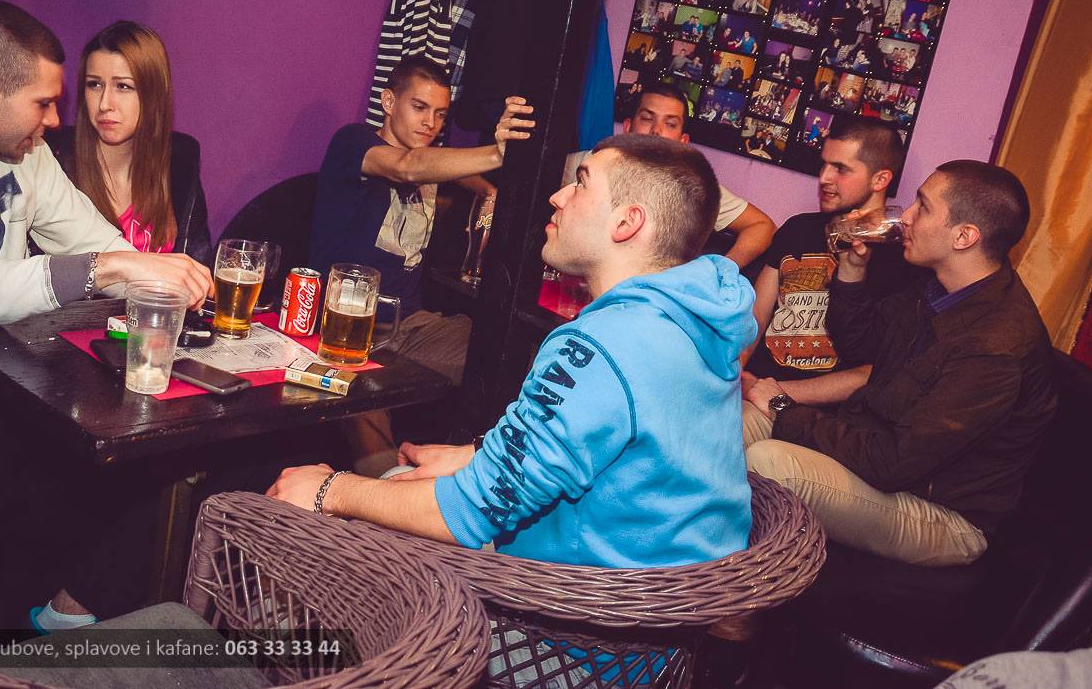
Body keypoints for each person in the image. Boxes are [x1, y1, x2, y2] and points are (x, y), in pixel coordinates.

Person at [270, 135, 756, 679]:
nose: (557, 197)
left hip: (560, 647)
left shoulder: (603, 346)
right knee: (398, 479)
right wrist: (481, 456)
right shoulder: (693, 321)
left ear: (626, 223)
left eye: (581, 183)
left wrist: (330, 489)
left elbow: (469, 514)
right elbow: (619, 445)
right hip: (655, 649)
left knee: (297, 533)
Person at [0, 1, 213, 628]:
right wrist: (107, 268)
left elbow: (90, 236)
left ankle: (57, 627)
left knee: (149, 466)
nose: (56, 119)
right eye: (45, 103)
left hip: (12, 366)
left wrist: (157, 277)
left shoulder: (23, 150)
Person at [743, 161, 1055, 566]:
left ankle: (737, 596)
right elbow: (862, 345)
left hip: (944, 514)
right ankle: (676, 563)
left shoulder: (995, 346)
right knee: (736, 423)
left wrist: (785, 407)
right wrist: (852, 271)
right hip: (884, 459)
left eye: (923, 207)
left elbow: (894, 462)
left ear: (964, 236)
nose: (905, 215)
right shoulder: (939, 288)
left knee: (770, 461)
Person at [309, 55, 533, 474]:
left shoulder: (427, 156)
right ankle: (389, 495)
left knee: (510, 347)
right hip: (344, 327)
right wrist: (497, 153)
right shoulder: (353, 142)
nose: (430, 123)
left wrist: (488, 192)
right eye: (419, 107)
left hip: (411, 326)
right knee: (358, 391)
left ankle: (477, 474)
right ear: (388, 102)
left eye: (441, 114)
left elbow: (438, 165)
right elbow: (406, 167)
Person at [743, 116, 919, 397]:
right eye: (824, 164)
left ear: (880, 179)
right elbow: (755, 317)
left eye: (840, 169)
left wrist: (775, 394)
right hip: (752, 386)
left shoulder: (904, 259)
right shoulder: (797, 228)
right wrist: (733, 373)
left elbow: (873, 372)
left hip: (804, 407)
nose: (824, 178)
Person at [43, 21, 211, 266]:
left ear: (153, 95)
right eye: (94, 84)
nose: (104, 104)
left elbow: (196, 263)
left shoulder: (179, 158)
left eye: (123, 86)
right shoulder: (54, 159)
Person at [562, 86, 775, 268]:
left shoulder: (694, 187)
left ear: (683, 141)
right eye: (647, 119)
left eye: (670, 124)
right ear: (627, 127)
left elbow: (761, 226)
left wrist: (718, 272)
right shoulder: (582, 165)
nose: (656, 130)